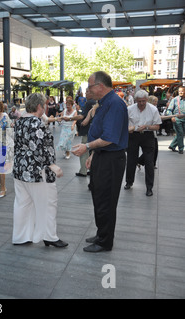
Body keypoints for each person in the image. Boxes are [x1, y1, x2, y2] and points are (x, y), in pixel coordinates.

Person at [71, 71, 128, 253]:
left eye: (90, 86)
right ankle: (101, 233)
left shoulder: (114, 104)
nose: (88, 90)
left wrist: (87, 147)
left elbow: (109, 138)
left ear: (100, 86)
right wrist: (93, 155)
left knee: (106, 201)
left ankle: (105, 241)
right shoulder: (104, 103)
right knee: (98, 198)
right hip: (102, 156)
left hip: (111, 159)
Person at [12, 93, 68, 248]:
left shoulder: (20, 121)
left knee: (22, 203)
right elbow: (40, 148)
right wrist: (52, 165)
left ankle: (21, 236)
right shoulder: (37, 123)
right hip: (37, 171)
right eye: (44, 104)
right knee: (48, 203)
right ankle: (49, 236)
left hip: (20, 168)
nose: (46, 107)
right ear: (39, 106)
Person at [125, 90, 162, 196]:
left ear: (147, 100)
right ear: (135, 100)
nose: (141, 103)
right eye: (139, 101)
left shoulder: (153, 109)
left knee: (149, 162)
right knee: (131, 160)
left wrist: (146, 126)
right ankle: (129, 181)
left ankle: (149, 187)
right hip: (133, 135)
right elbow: (124, 125)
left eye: (144, 101)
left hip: (147, 135)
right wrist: (129, 129)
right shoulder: (130, 109)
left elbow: (157, 126)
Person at [75, 88, 95, 177]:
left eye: (87, 92)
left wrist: (70, 118)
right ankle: (91, 168)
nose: (85, 94)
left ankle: (83, 170)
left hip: (87, 130)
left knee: (84, 150)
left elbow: (82, 116)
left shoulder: (89, 103)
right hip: (93, 131)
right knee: (92, 151)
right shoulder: (95, 102)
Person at [165, 86, 185, 154]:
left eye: (182, 91)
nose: (180, 92)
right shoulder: (175, 100)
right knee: (180, 133)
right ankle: (181, 149)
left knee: (181, 134)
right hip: (177, 119)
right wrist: (171, 117)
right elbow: (169, 110)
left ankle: (172, 145)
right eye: (179, 91)